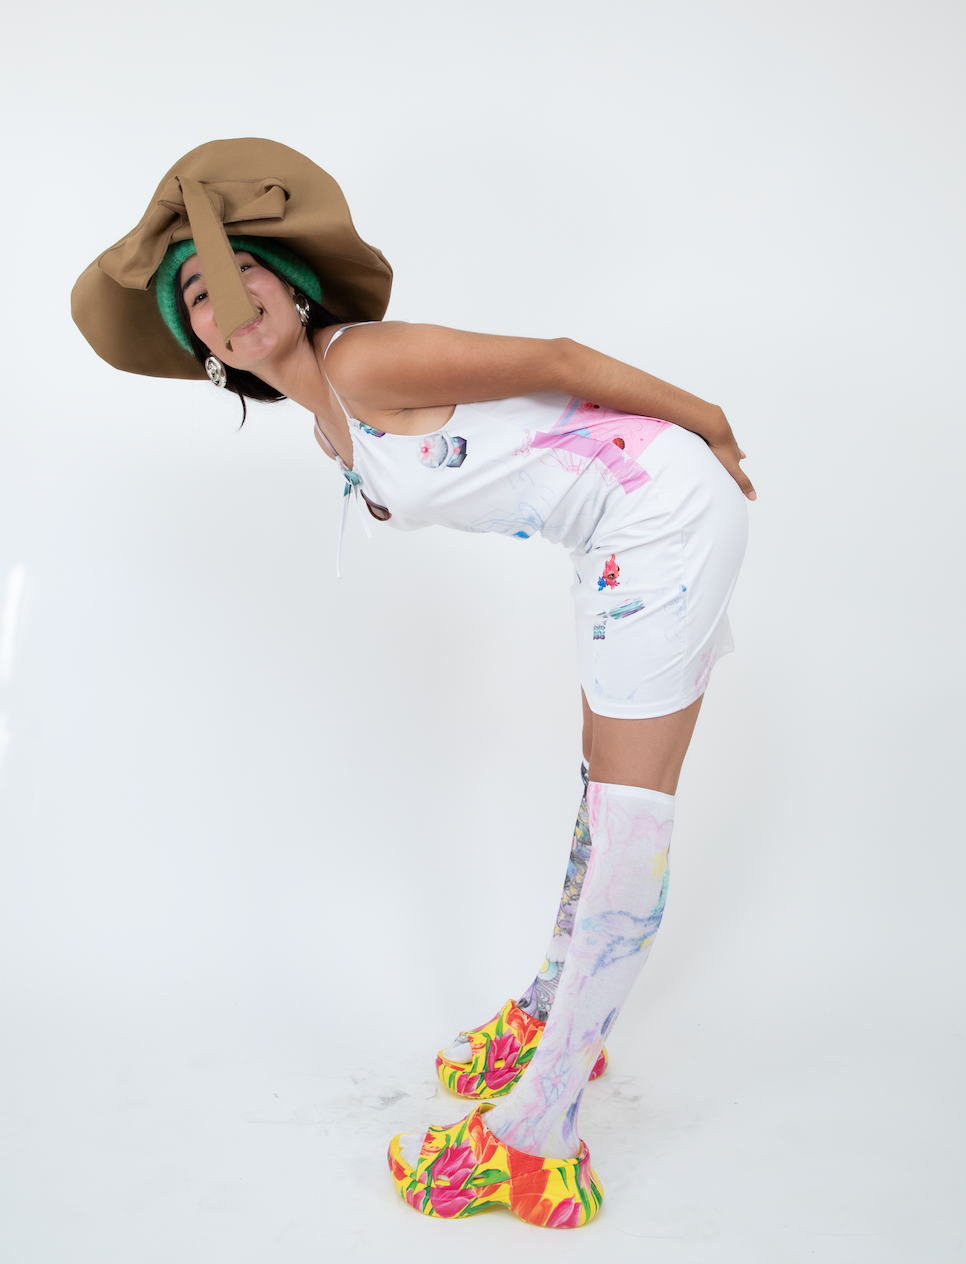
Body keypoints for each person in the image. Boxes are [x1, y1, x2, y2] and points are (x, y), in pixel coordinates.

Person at [73, 138, 753, 1229]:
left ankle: (537, 1140)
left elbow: (560, 358)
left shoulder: (363, 363)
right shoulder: (329, 426)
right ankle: (557, 1015)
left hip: (659, 514)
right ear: (200, 344)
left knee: (632, 811)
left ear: (292, 286)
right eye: (198, 292)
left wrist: (707, 417)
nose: (227, 297)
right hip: (622, 531)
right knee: (605, 790)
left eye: (241, 269)